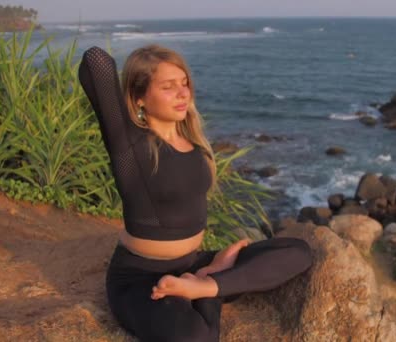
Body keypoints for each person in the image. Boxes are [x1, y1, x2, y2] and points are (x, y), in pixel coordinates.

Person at [78, 45, 313, 342]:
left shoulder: (195, 144)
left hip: (192, 264)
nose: (182, 93)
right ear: (139, 99)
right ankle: (211, 286)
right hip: (140, 278)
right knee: (197, 337)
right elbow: (95, 61)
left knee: (298, 253)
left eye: (184, 83)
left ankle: (206, 284)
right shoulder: (130, 147)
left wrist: (204, 275)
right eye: (168, 86)